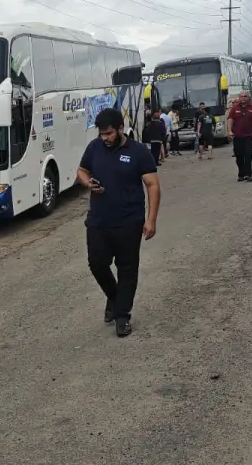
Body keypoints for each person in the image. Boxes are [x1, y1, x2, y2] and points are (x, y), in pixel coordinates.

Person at [76, 108, 161, 337]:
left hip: (129, 222)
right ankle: (114, 297)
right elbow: (82, 171)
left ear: (121, 129)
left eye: (109, 133)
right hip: (98, 221)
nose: (105, 138)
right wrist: (88, 183)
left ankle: (122, 315)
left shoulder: (138, 151)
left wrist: (151, 220)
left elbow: (153, 185)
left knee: (127, 269)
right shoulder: (94, 147)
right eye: (102, 134)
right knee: (97, 263)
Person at [226, 92, 252, 182]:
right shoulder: (234, 108)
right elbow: (230, 119)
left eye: (245, 96)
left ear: (248, 97)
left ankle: (248, 174)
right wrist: (229, 131)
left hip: (249, 136)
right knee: (239, 155)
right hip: (237, 136)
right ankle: (241, 174)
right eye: (241, 96)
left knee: (248, 154)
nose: (243, 98)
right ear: (239, 98)